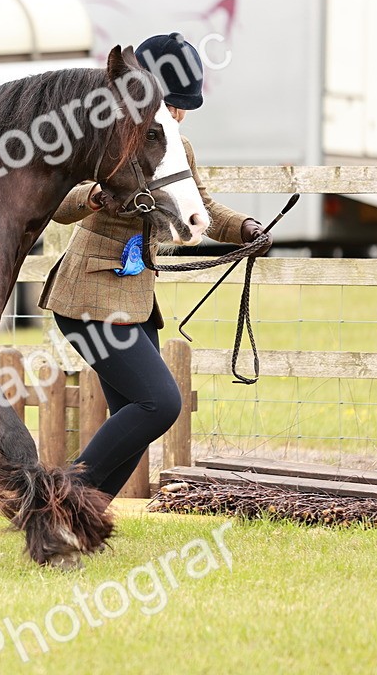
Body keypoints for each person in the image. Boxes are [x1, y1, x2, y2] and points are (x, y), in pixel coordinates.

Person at [38, 33, 271, 498]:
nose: (180, 115)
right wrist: (97, 196)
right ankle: (58, 500)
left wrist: (244, 227)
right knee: (161, 404)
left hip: (136, 300)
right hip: (88, 298)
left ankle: (82, 516)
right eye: (174, 104)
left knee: (137, 422)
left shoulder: (176, 147)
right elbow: (58, 205)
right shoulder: (105, 136)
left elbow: (201, 208)